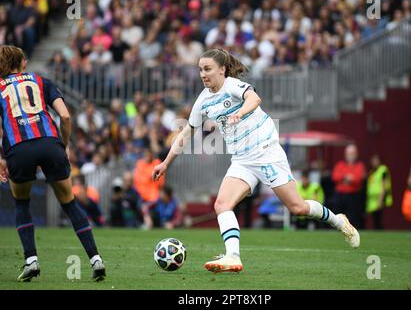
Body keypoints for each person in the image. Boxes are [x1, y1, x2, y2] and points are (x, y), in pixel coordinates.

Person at [152, 47, 360, 274]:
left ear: (222, 70)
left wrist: (239, 114)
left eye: (208, 69)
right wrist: (165, 163)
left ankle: (339, 222)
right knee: (222, 205)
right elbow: (185, 133)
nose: (203, 74)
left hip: (266, 153)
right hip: (242, 160)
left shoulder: (232, 85)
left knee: (297, 207)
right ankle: (232, 256)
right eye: (201, 69)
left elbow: (254, 98)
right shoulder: (202, 101)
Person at [0, 45, 105, 282]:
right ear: (22, 62)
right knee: (69, 203)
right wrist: (64, 146)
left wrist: (0, 159)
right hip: (50, 144)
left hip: (18, 148)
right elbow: (65, 116)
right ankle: (95, 259)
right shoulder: (41, 81)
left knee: (22, 204)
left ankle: (31, 261)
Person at [332, 144, 367, 229]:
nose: (350, 156)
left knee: (354, 218)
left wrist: (346, 179)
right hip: (340, 195)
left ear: (356, 154)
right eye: (349, 153)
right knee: (338, 216)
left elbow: (358, 178)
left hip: (354, 195)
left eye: (352, 153)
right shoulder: (340, 164)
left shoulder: (360, 165)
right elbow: (335, 177)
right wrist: (346, 177)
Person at [366, 154, 393, 230]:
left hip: (380, 198)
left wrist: (381, 199)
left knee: (379, 219)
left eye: (376, 160)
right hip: (372, 201)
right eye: (373, 160)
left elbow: (384, 184)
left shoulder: (383, 170)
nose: (374, 162)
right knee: (375, 220)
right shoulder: (372, 172)